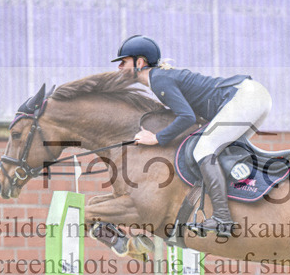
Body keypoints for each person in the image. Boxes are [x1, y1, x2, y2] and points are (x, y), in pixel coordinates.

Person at [112, 35, 272, 237]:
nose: (119, 67)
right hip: (254, 97)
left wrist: (157, 138)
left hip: (246, 97)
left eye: (123, 62)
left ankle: (223, 218)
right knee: (221, 152)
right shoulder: (160, 78)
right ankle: (242, 200)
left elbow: (187, 117)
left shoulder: (159, 80)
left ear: (140, 62)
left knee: (204, 149)